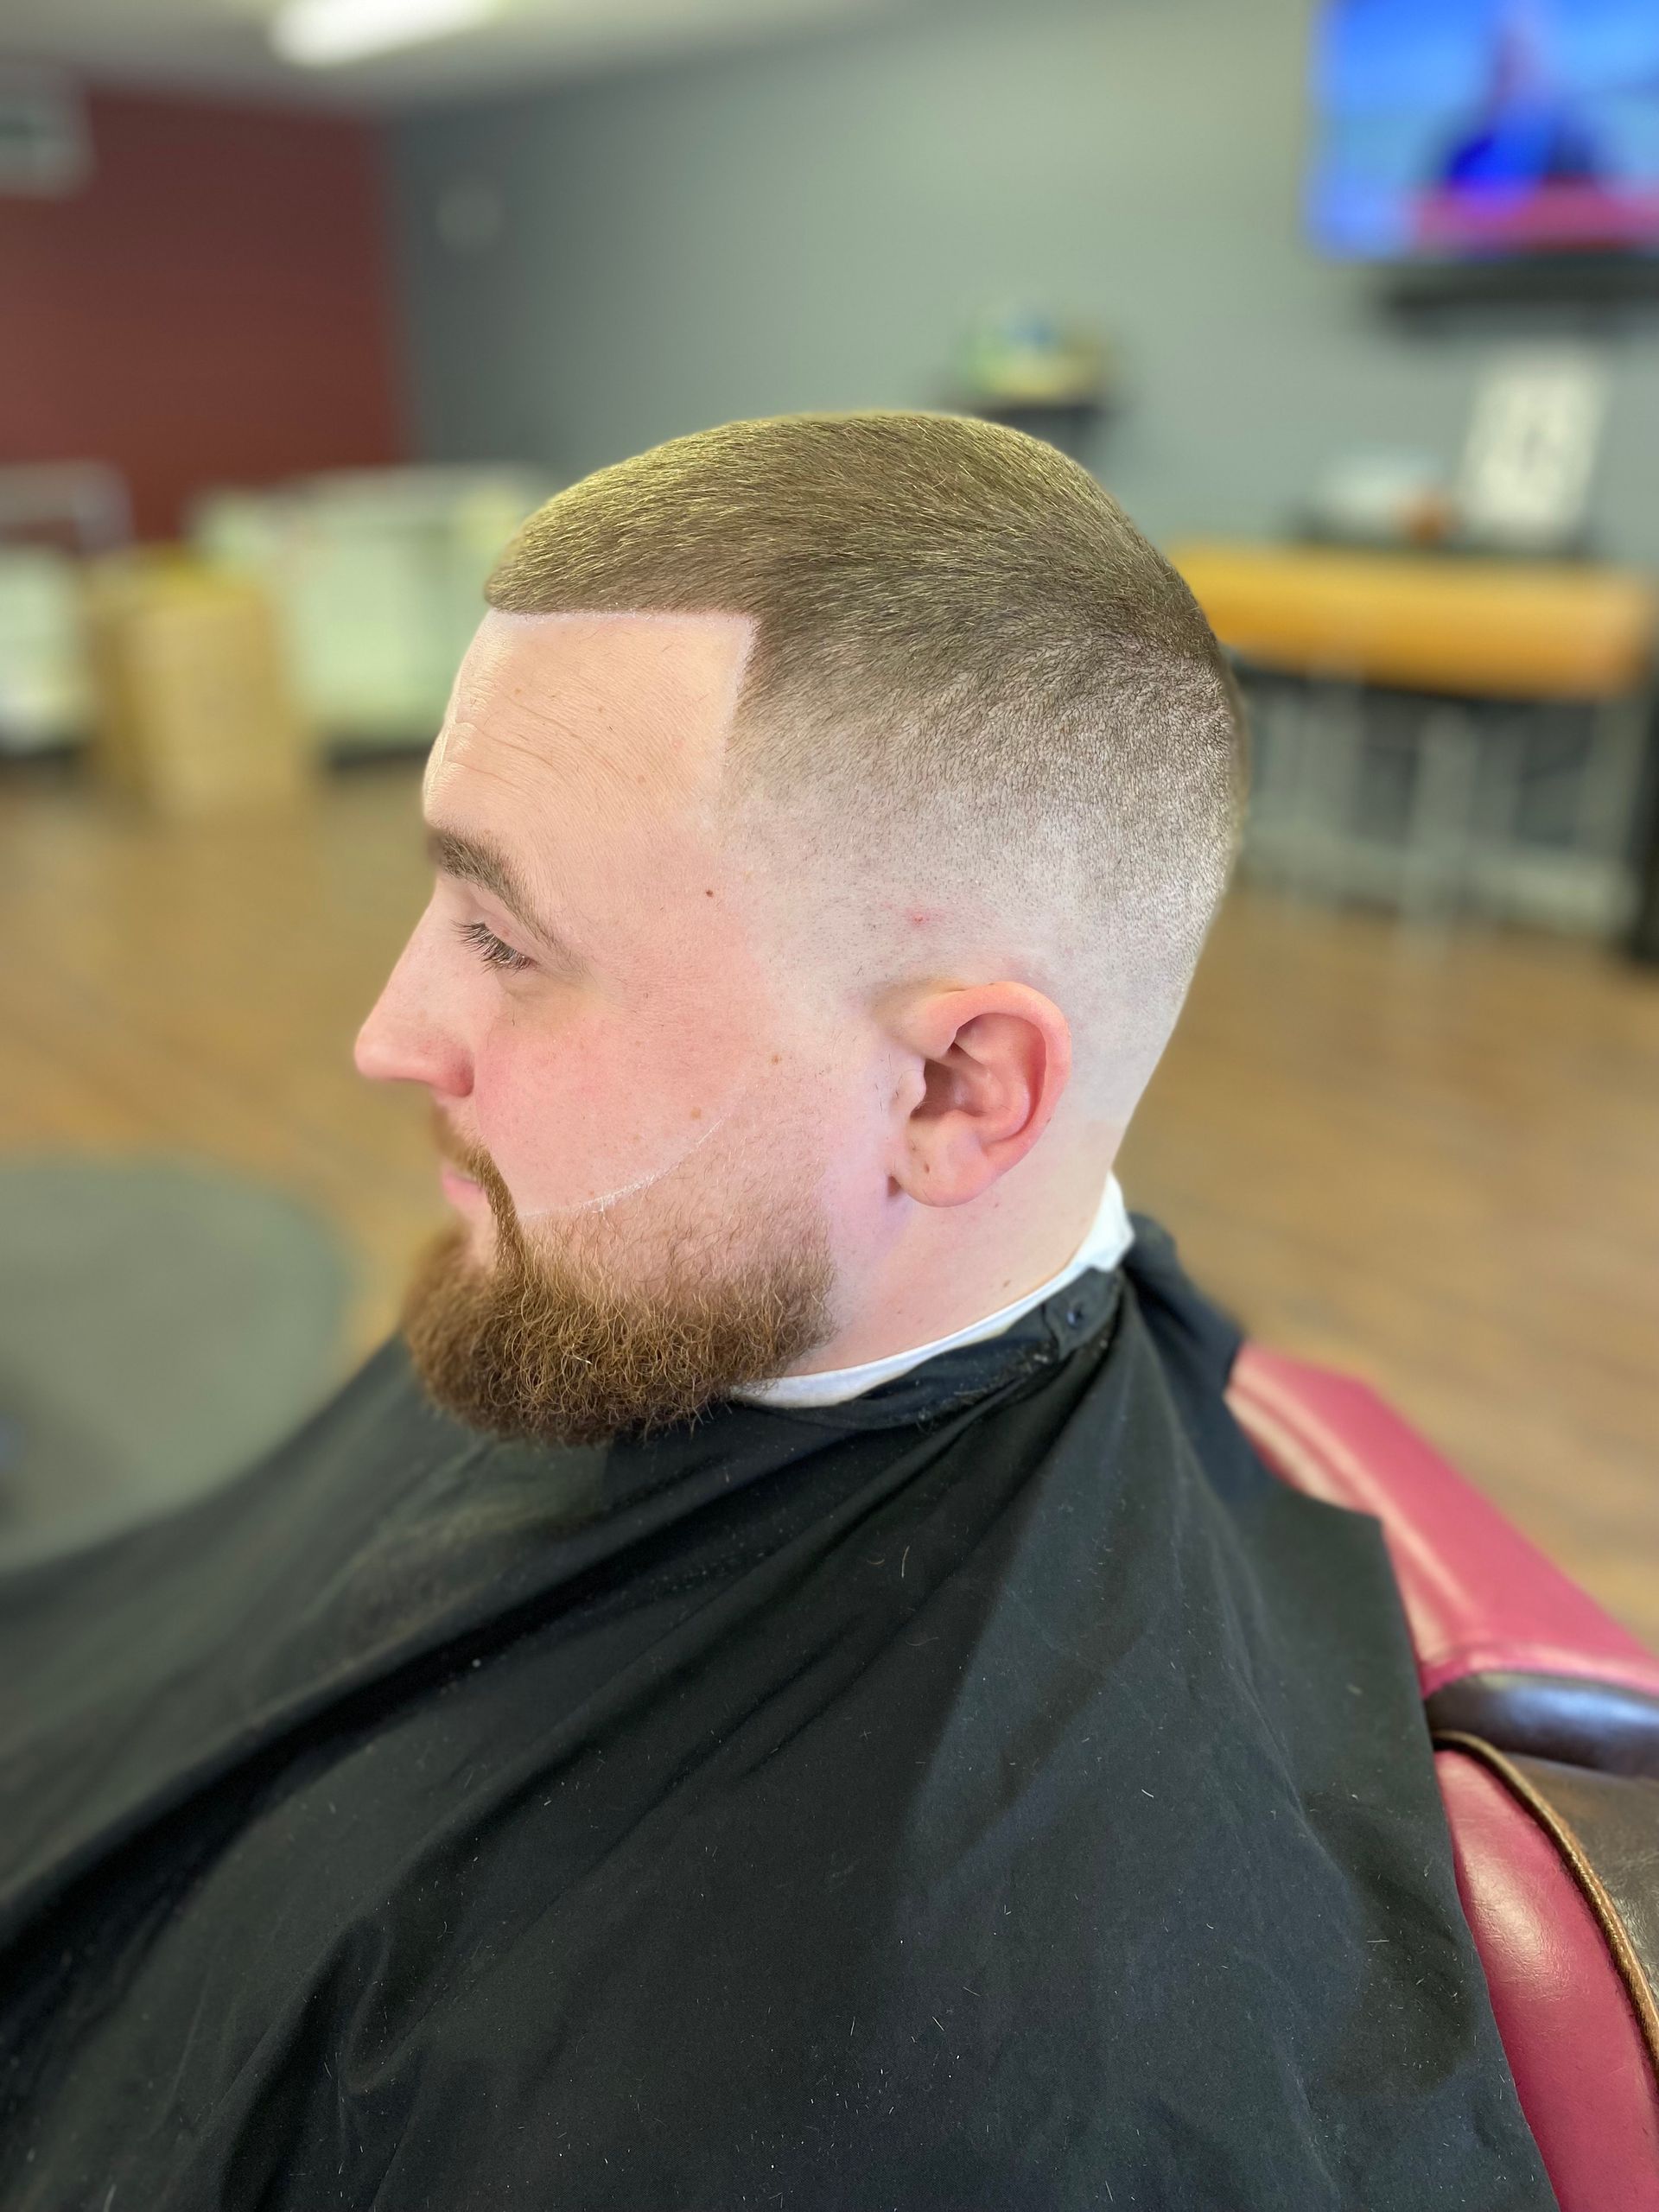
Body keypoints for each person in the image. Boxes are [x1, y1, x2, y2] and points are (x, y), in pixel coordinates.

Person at [0, 414, 1555, 2210]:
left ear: (956, 1091)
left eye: (507, 939)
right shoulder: (621, 1288)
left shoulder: (951, 2074)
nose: (392, 1031)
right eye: (444, 884)